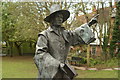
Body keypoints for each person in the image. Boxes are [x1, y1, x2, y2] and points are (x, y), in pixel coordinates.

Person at [34, 4, 99, 80]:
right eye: (58, 16)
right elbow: (40, 54)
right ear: (52, 18)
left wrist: (89, 24)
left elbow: (76, 34)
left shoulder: (64, 34)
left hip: (64, 71)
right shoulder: (44, 35)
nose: (60, 19)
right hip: (51, 73)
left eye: (61, 17)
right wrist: (56, 64)